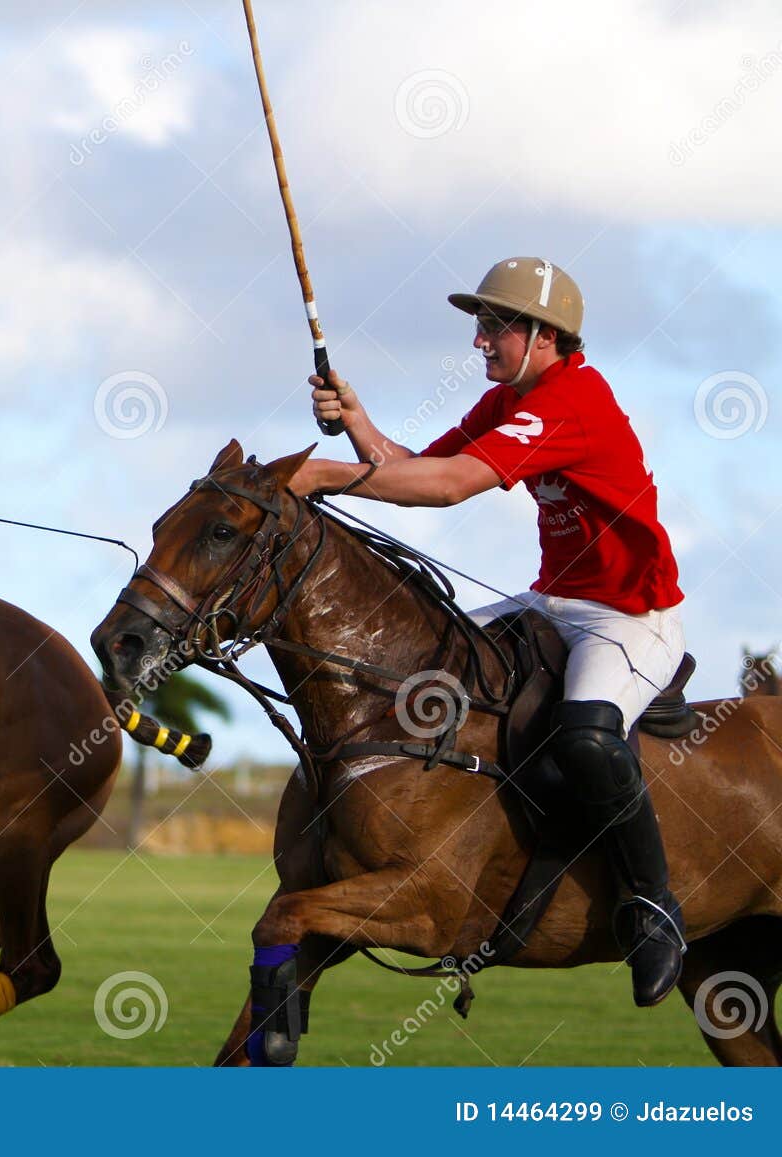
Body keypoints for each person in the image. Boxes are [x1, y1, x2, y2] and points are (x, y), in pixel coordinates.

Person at [291, 257, 688, 1006]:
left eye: (495, 325)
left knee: (587, 735)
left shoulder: (571, 400)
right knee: (416, 671)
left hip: (630, 615)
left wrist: (316, 476)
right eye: (480, 324)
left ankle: (654, 904)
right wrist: (357, 422)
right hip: (552, 600)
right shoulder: (513, 397)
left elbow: (445, 490)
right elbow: (418, 468)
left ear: (544, 336)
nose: (480, 341)